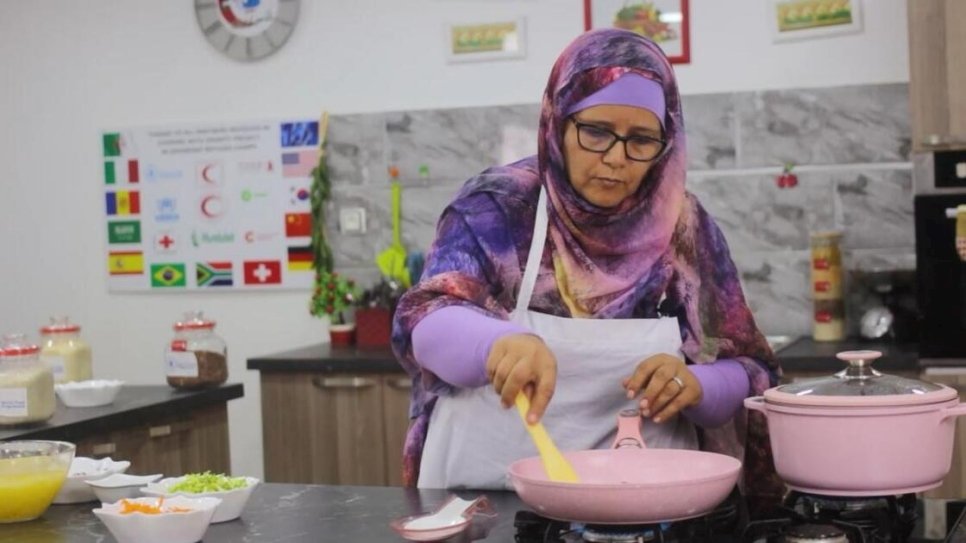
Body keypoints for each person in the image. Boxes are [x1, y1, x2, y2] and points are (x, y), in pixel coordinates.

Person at [391, 28, 783, 500]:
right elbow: (426, 321)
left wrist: (697, 384)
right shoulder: (497, 207)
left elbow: (750, 371)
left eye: (641, 140)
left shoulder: (682, 228)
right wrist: (495, 345)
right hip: (488, 501)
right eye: (596, 131)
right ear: (559, 120)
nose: (616, 158)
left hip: (643, 501)